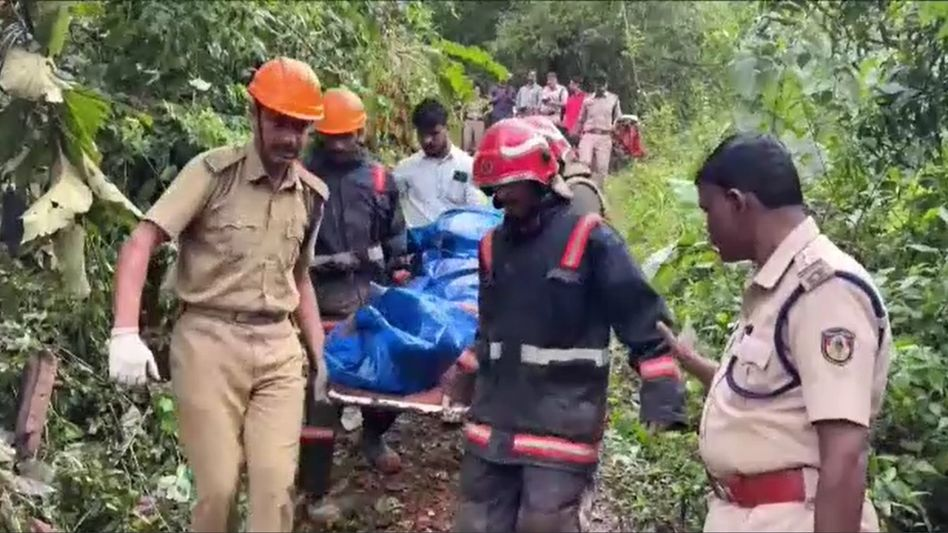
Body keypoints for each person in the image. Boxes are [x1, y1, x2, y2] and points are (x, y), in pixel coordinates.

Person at [108, 57, 329, 532]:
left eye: (300, 127)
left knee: (274, 491)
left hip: (278, 350)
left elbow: (301, 277)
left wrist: (321, 355)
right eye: (280, 123)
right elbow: (141, 241)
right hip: (209, 342)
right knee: (218, 490)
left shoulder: (312, 195)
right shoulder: (212, 174)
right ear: (256, 115)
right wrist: (124, 331)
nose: (289, 137)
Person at [452, 118, 686, 532]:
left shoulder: (589, 237)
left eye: (512, 184)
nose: (503, 197)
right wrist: (465, 375)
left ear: (542, 177)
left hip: (563, 419)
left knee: (545, 523)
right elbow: (491, 328)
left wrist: (662, 389)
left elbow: (641, 316)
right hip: (495, 420)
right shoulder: (491, 246)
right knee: (476, 522)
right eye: (496, 189)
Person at [657, 133, 891, 532]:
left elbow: (845, 454)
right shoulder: (778, 287)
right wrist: (693, 363)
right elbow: (773, 400)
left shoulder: (825, 290)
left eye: (707, 209)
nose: (706, 225)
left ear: (737, 202)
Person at [303, 87, 409, 474]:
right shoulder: (303, 178)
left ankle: (373, 435)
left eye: (347, 136)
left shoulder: (380, 179)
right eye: (332, 137)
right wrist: (327, 263)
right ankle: (314, 484)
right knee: (319, 398)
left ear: (361, 132)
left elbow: (396, 235)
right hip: (317, 302)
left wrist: (400, 265)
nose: (340, 145)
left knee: (386, 381)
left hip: (371, 297)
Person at [392, 98, 488, 228]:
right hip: (415, 245)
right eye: (422, 134)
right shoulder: (405, 169)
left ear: (447, 128)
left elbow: (478, 213)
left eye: (434, 133)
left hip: (454, 244)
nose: (427, 140)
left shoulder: (468, 167)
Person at [576, 73, 621, 188]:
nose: (600, 87)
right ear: (595, 85)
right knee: (584, 163)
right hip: (589, 134)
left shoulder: (613, 99)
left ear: (606, 84)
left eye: (602, 84)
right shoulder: (587, 100)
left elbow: (618, 118)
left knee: (602, 168)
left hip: (605, 135)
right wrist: (577, 135)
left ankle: (601, 194)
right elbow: (581, 118)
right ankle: (583, 191)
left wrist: (614, 128)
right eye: (598, 84)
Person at [461, 85, 489, 155]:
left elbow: (490, 107)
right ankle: (465, 159)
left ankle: (477, 159)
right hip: (469, 121)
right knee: (467, 141)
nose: (476, 92)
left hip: (479, 121)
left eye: (478, 91)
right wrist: (462, 121)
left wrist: (484, 114)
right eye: (475, 91)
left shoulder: (483, 101)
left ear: (480, 92)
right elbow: (462, 110)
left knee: (478, 143)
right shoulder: (468, 101)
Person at [562, 77, 586, 141]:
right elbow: (567, 112)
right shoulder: (571, 97)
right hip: (568, 128)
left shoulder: (584, 97)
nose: (569, 86)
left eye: (571, 84)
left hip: (577, 129)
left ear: (577, 85)